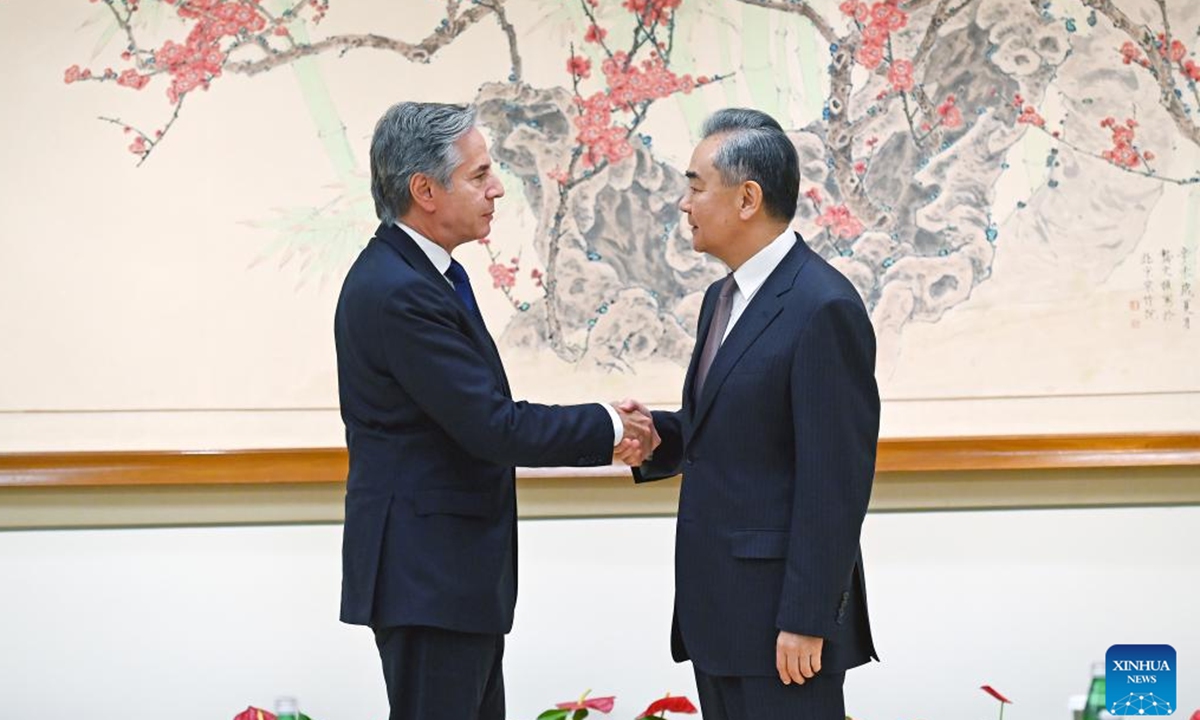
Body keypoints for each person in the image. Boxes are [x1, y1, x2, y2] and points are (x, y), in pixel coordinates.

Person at [334, 101, 654, 720]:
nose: (497, 188)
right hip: (428, 582)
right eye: (479, 175)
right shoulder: (399, 291)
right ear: (424, 190)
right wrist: (611, 425)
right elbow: (493, 426)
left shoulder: (426, 276)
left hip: (448, 580)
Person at [620, 108, 880, 720]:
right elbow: (726, 428)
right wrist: (658, 435)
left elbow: (835, 481)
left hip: (783, 630)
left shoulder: (823, 306)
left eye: (694, 185)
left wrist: (807, 620)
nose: (683, 204)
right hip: (721, 616)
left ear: (747, 199)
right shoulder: (722, 296)